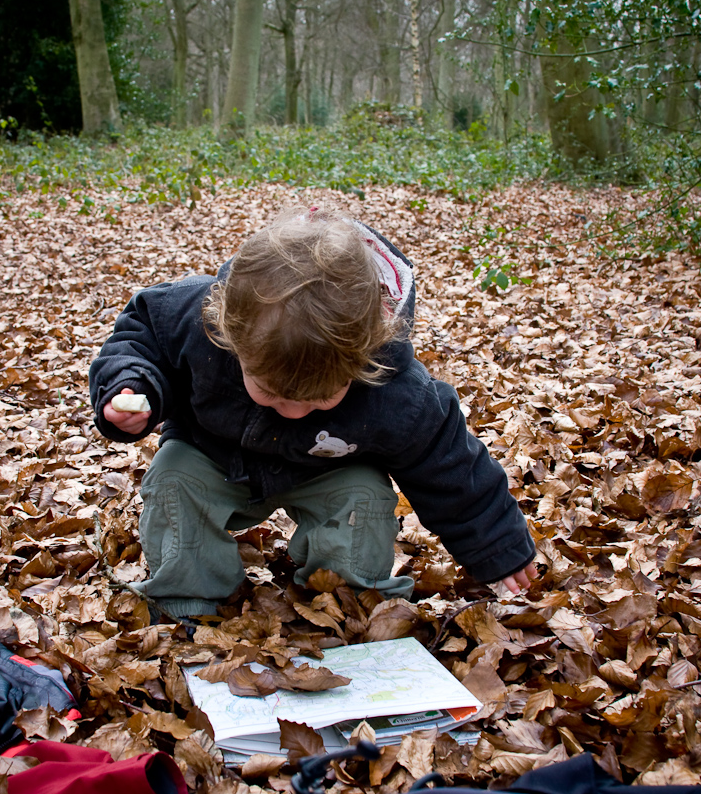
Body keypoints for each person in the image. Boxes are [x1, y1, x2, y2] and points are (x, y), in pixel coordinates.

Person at [89, 206, 537, 619]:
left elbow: (450, 465)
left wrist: (498, 546)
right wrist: (132, 387)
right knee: (173, 481)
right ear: (230, 335)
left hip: (328, 468)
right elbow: (142, 338)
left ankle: (348, 595)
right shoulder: (194, 317)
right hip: (213, 451)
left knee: (363, 496)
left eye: (320, 397)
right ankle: (189, 597)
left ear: (365, 357)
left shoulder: (395, 391)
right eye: (269, 391)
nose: (295, 411)